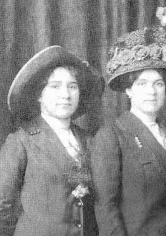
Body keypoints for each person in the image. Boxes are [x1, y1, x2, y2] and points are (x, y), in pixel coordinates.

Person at [91, 7, 166, 236]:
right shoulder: (112, 135)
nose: (151, 91)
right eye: (142, 84)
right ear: (129, 90)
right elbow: (106, 206)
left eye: (158, 84)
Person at [0, 45, 102, 236]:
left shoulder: (90, 141)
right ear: (39, 94)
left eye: (73, 86)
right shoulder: (20, 142)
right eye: (55, 86)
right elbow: (2, 206)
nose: (65, 95)